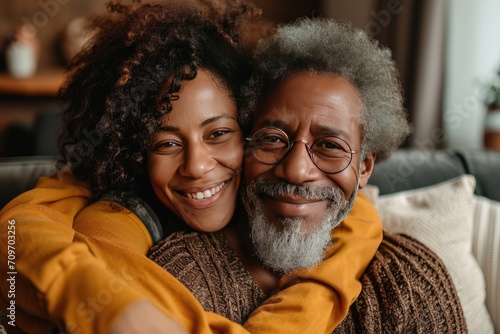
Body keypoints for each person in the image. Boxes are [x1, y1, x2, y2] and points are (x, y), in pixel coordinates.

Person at [0, 2, 382, 333]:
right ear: (135, 150)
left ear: (249, 127)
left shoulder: (281, 184)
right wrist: (103, 303)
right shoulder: (116, 209)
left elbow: (358, 217)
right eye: (166, 143)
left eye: (218, 133)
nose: (197, 166)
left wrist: (316, 292)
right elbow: (17, 230)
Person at [147, 17, 467, 333]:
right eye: (272, 139)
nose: (296, 171)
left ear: (364, 169)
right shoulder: (175, 275)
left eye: (329, 146)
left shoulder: (412, 282)